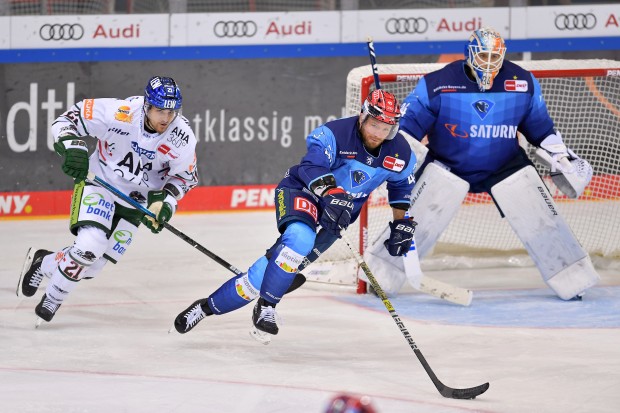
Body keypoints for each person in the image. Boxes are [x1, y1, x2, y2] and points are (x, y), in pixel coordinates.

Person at [365, 27, 598, 300]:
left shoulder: (522, 82)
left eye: (495, 56)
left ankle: (572, 278)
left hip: (505, 165)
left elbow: (541, 129)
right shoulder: (436, 84)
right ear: (469, 54)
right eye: (483, 55)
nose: (489, 63)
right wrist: (389, 161)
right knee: (416, 221)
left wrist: (562, 156)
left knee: (541, 219)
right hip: (447, 164)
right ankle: (381, 274)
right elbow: (408, 129)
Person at [173, 89, 417, 342]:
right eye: (374, 124)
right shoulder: (334, 134)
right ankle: (267, 307)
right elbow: (310, 166)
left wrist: (401, 222)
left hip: (337, 218)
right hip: (302, 192)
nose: (378, 133)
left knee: (259, 278)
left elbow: (400, 187)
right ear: (362, 116)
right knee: (301, 239)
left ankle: (204, 308)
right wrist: (332, 192)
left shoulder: (401, 153)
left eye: (386, 128)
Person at [17, 76, 198, 324]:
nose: (165, 118)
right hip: (100, 183)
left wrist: (165, 203)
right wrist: (72, 146)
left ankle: (44, 262)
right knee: (89, 247)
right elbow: (69, 119)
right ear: (147, 106)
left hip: (136, 204)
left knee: (91, 267)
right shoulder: (120, 113)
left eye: (171, 111)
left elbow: (184, 178)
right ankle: (53, 299)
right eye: (159, 110)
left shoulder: (182, 137)